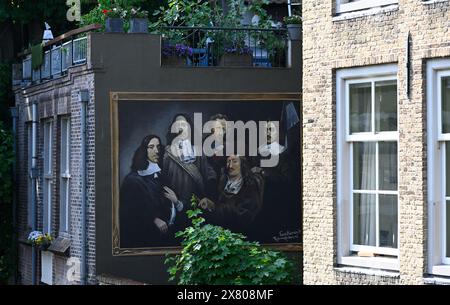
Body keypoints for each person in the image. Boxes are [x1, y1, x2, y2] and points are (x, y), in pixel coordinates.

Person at [120, 134, 183, 248]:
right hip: (148, 238)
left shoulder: (161, 176)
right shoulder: (133, 180)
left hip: (169, 236)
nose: (156, 151)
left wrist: (176, 201)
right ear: (144, 150)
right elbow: (130, 212)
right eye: (151, 147)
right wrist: (153, 219)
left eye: (158, 147)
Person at [163, 114, 217, 231]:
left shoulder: (198, 151)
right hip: (176, 204)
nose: (181, 128)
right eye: (177, 125)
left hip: (197, 205)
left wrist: (209, 195)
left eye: (184, 124)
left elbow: (209, 174)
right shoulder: (167, 153)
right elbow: (163, 179)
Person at [199, 155, 264, 238]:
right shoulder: (223, 182)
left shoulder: (250, 185)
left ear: (242, 165)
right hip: (222, 235)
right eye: (228, 161)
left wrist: (215, 207)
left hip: (242, 235)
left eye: (234, 161)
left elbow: (245, 215)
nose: (230, 166)